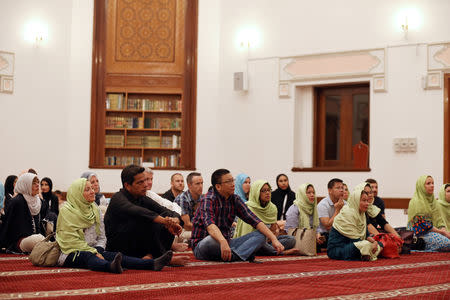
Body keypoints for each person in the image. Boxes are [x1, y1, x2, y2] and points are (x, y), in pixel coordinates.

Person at [56, 178, 173, 273]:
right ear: (77, 194)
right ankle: (110, 267)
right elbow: (70, 241)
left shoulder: (94, 209)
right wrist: (94, 252)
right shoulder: (67, 211)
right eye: (87, 190)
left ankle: (152, 264)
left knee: (118, 255)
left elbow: (102, 236)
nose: (92, 191)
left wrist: (98, 249)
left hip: (93, 249)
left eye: (92, 188)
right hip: (71, 252)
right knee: (88, 256)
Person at [191, 169, 284, 262]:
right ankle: (240, 254)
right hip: (204, 245)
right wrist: (222, 241)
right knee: (211, 240)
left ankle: (235, 256)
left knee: (262, 235)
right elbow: (210, 226)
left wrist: (274, 239)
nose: (233, 184)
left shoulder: (235, 199)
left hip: (228, 243)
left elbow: (255, 220)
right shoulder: (208, 199)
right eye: (228, 181)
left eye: (233, 180)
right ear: (218, 186)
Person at [104, 165, 189, 265]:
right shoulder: (118, 198)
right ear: (127, 185)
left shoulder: (142, 197)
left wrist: (174, 221)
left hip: (137, 244)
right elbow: (139, 212)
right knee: (149, 220)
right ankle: (162, 259)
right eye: (140, 182)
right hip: (119, 246)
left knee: (164, 218)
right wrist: (166, 221)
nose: (145, 185)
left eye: (145, 181)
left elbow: (165, 210)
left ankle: (150, 257)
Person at [234, 180, 296, 255]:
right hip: (254, 240)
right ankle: (279, 252)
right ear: (256, 193)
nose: (267, 193)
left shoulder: (272, 208)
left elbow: (273, 229)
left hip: (268, 241)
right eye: (263, 191)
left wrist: (272, 236)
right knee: (259, 240)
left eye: (269, 190)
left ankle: (270, 250)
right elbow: (247, 235)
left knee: (291, 239)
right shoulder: (249, 208)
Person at [327, 183, 383, 261]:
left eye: (367, 201)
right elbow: (356, 240)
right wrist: (370, 245)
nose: (367, 203)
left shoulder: (361, 214)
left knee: (380, 244)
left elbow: (367, 235)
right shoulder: (347, 213)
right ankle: (365, 254)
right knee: (365, 245)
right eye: (364, 200)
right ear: (356, 201)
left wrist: (375, 242)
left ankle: (365, 254)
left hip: (354, 245)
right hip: (338, 249)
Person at [0, 173, 46, 253]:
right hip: (19, 241)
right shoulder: (17, 201)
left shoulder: (38, 201)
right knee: (38, 240)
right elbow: (8, 226)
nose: (37, 185)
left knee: (41, 239)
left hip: (36, 237)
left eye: (38, 182)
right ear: (25, 185)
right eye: (33, 183)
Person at [143, 168, 186, 251]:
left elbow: (173, 206)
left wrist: (175, 219)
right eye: (147, 179)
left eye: (151, 179)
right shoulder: (126, 198)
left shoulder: (150, 194)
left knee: (168, 219)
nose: (150, 182)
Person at [407, 175, 450, 252]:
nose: (432, 185)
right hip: (419, 233)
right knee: (447, 243)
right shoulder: (416, 201)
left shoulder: (433, 201)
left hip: (432, 230)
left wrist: (444, 231)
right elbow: (422, 225)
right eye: (428, 183)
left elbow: (439, 220)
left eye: (433, 183)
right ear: (421, 186)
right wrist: (442, 232)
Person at [285, 183, 325, 248]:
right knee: (291, 240)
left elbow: (316, 226)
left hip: (311, 236)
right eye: (308, 193)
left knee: (329, 237)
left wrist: (318, 234)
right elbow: (290, 230)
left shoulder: (313, 208)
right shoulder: (294, 208)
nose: (312, 195)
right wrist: (307, 237)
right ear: (302, 194)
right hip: (297, 237)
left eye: (313, 192)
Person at [174, 172, 204, 241]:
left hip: (196, 228)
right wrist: (206, 228)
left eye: (202, 183)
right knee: (208, 235)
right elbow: (187, 225)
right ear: (189, 185)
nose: (201, 186)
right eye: (197, 184)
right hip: (181, 231)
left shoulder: (202, 198)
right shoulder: (182, 199)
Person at [317, 178, 345, 247]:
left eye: (342, 188)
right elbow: (327, 225)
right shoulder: (323, 205)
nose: (341, 190)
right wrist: (338, 210)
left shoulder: (346, 204)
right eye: (338, 188)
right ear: (330, 190)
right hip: (325, 234)